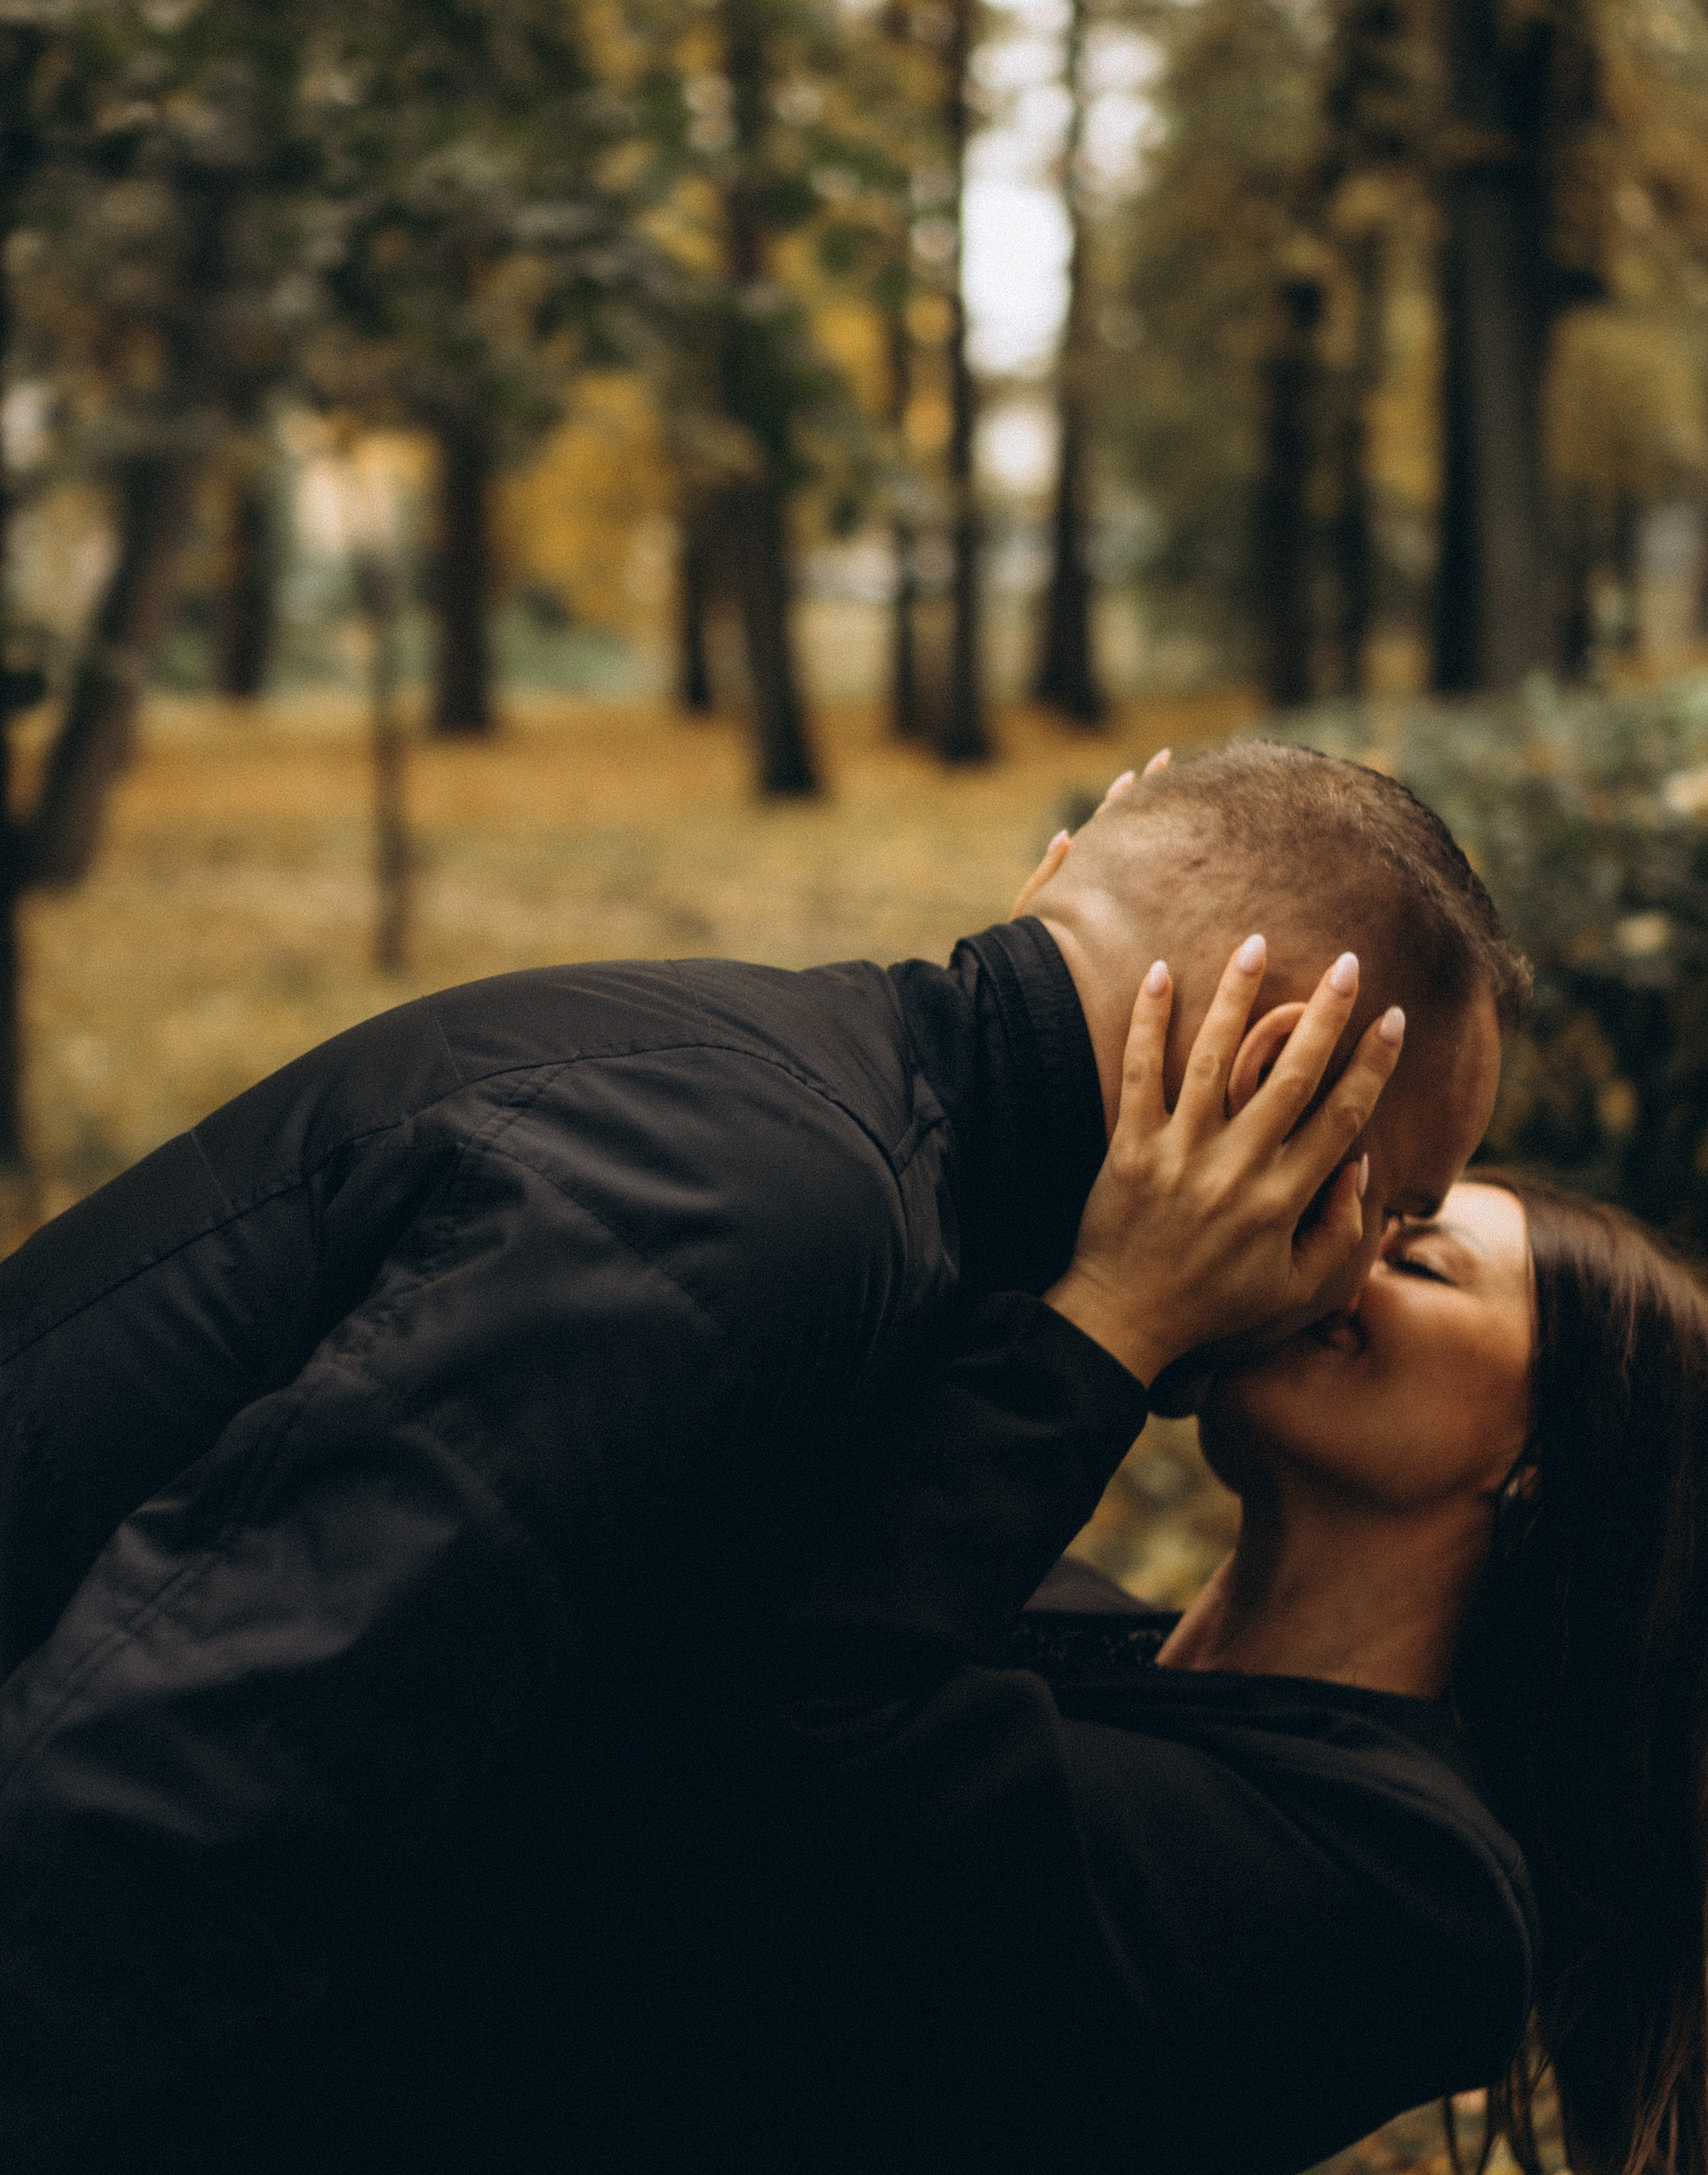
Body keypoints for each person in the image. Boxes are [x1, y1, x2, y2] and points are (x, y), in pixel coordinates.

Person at [0, 741, 1524, 2168]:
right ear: (1264, 1108)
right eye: (1382, 1205)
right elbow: (173, 1805)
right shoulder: (757, 1218)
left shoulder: (807, 1118)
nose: (1353, 1273)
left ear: (1048, 879)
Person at [721, 1173, 1708, 2175]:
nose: (1341, 1262)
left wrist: (1117, 1306)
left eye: (1417, 1262)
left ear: (1541, 1459)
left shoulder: (1421, 1896)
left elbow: (790, 1742)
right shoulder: (1060, 1608)